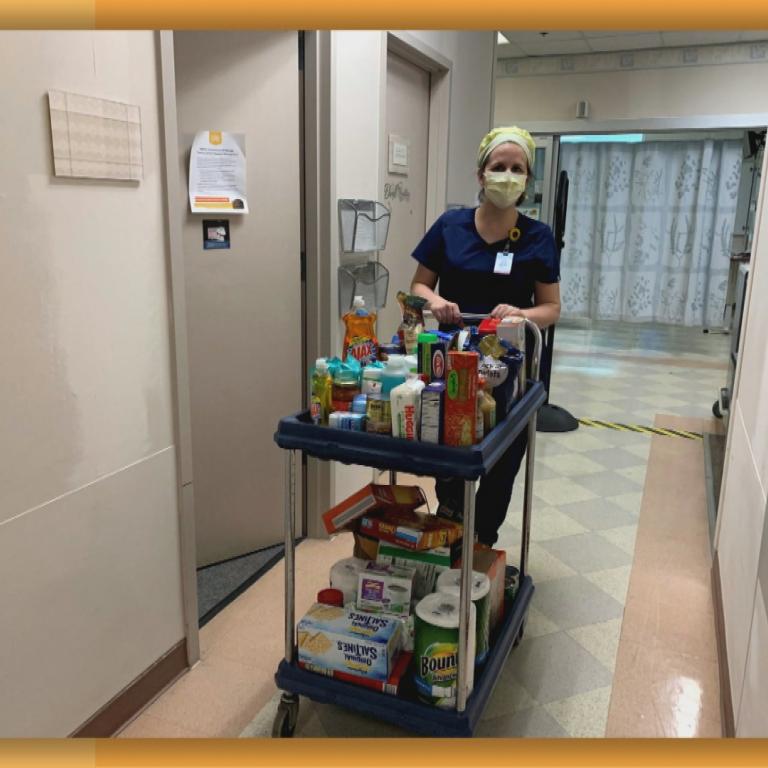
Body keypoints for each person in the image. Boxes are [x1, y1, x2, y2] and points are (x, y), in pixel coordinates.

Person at [409, 125, 561, 546]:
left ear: (528, 180)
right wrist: (434, 302)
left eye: (517, 169)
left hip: (511, 365)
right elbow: (418, 285)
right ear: (481, 175)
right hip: (451, 358)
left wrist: (520, 312)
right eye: (499, 167)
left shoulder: (537, 237)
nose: (507, 176)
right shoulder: (450, 226)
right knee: (449, 443)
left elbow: (551, 309)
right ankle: (452, 520)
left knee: (502, 456)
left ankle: (482, 542)